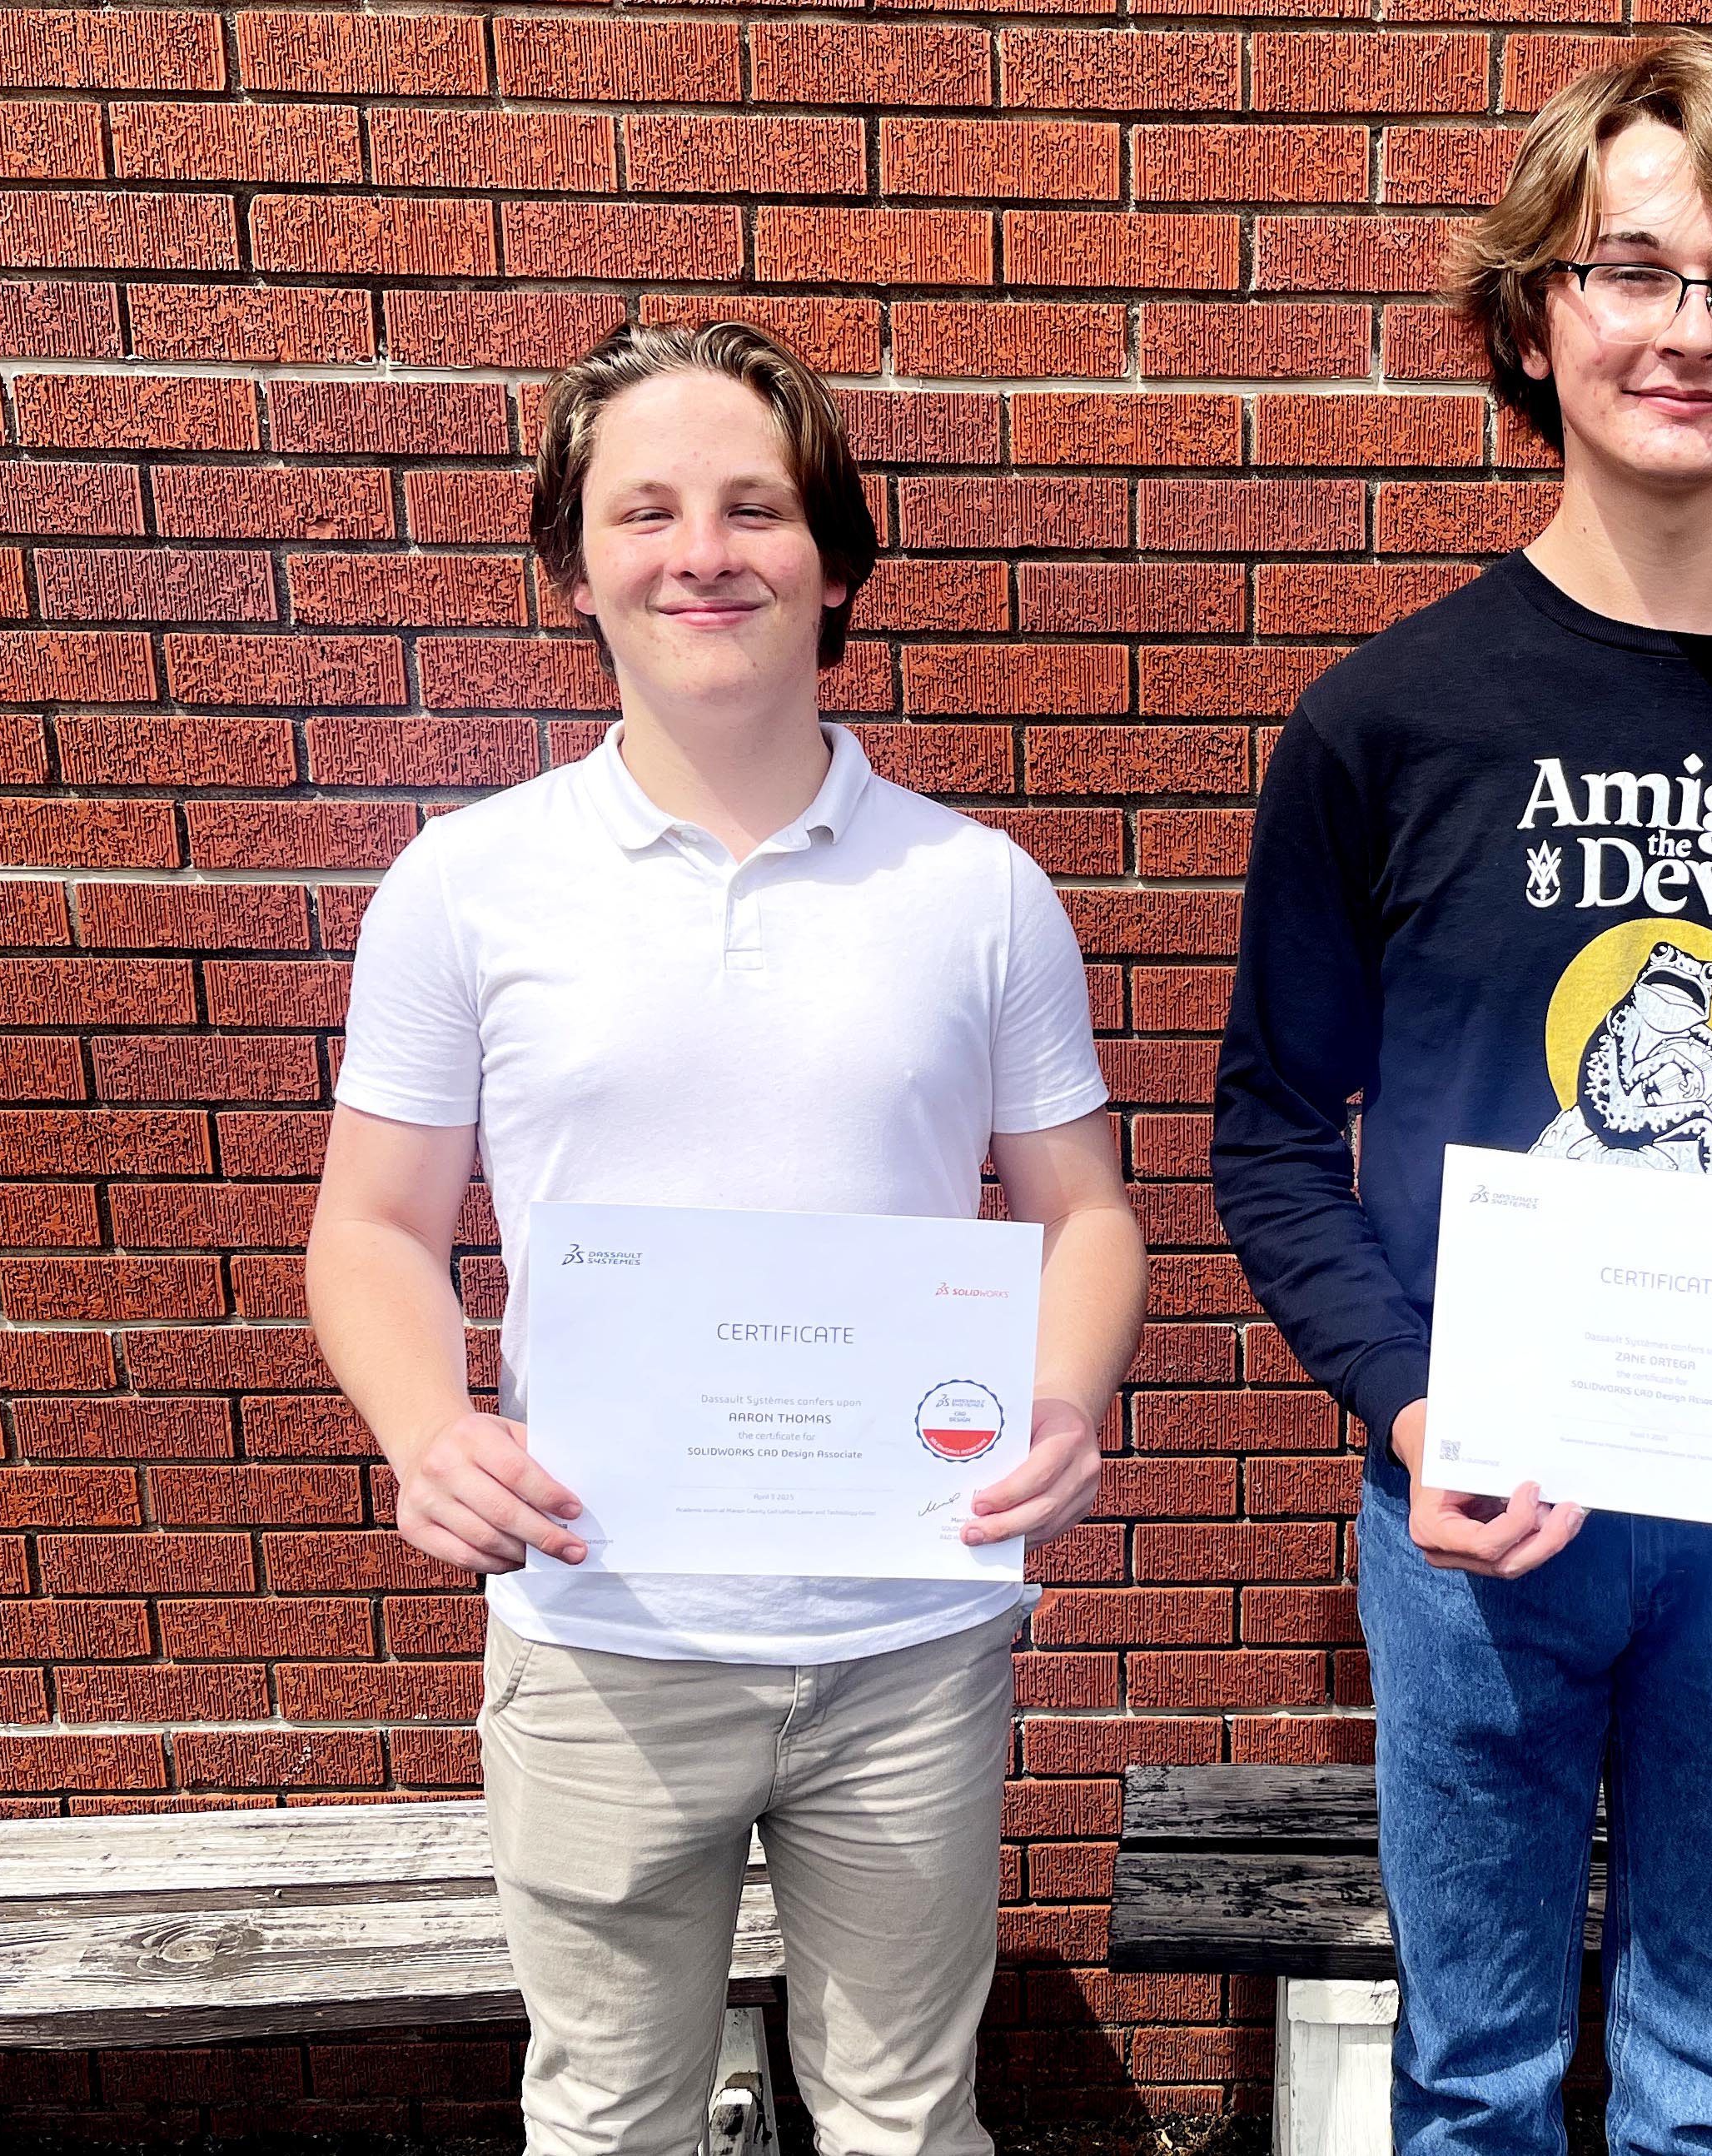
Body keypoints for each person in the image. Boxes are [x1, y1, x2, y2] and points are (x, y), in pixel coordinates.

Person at [1210, 39, 1712, 2156]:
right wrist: (1407, 1405)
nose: (1687, 326)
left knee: (1709, 2099)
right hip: (1479, 1505)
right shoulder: (1386, 722)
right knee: (1471, 2087)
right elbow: (1270, 1132)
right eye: (1630, 268)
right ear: (1532, 317)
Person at [305, 321, 1147, 2156]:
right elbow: (372, 1223)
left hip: (909, 1628)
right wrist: (425, 1430)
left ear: (833, 562)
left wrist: (1062, 1404)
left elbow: (1084, 1209)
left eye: (755, 506)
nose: (703, 551)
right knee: (610, 2119)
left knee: (908, 2118)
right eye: (646, 510)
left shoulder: (977, 889)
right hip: (601, 1623)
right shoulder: (466, 882)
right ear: (573, 567)